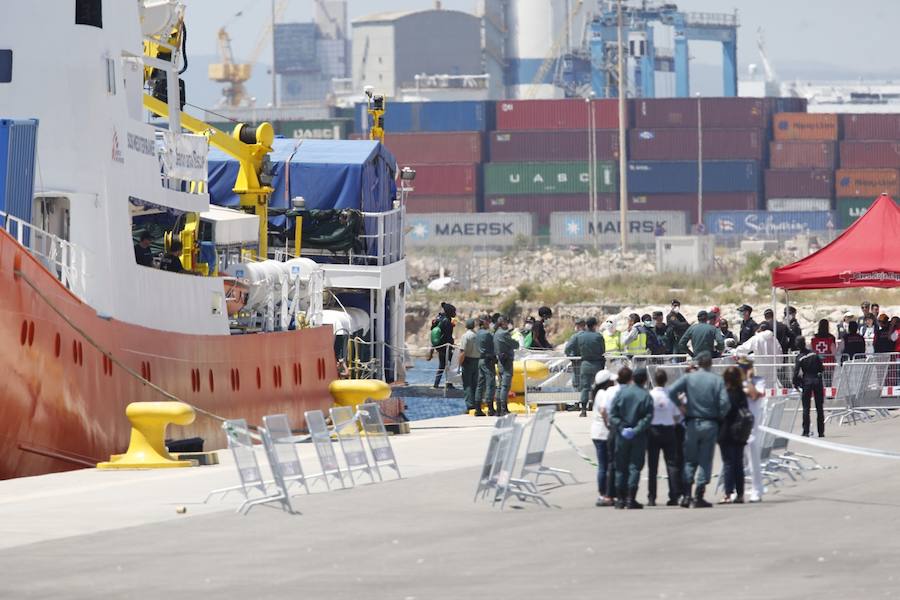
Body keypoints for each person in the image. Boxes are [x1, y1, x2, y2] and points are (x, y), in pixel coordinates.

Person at [667, 352, 730, 508]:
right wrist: (719, 415)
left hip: (692, 423)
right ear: (710, 364)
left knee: (690, 459)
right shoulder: (717, 380)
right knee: (705, 459)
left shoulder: (689, 378)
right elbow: (725, 403)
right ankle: (699, 494)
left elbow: (671, 391)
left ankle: (687, 494)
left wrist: (681, 407)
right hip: (710, 422)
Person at [608, 367, 654, 509]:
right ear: (645, 380)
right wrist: (636, 429)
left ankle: (620, 499)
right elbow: (648, 416)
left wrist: (621, 427)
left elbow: (612, 414)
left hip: (622, 435)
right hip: (638, 436)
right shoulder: (646, 395)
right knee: (635, 466)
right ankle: (630, 498)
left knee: (621, 466)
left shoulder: (622, 393)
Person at [646, 370, 681, 507]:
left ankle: (651, 497)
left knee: (652, 466)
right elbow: (677, 415)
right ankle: (674, 495)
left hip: (653, 430)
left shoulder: (650, 395)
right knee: (672, 464)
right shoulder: (671, 395)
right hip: (668, 429)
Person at [718, 366, 750, 504]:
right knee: (738, 463)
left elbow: (722, 412)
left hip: (726, 431)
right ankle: (740, 493)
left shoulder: (724, 394)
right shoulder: (742, 393)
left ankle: (728, 493)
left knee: (728, 463)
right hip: (741, 431)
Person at [738, 357, 765, 503]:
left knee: (753, 461)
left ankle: (757, 490)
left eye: (744, 367)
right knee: (736, 461)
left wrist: (748, 381)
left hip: (751, 427)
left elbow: (754, 395)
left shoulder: (758, 381)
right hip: (737, 425)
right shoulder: (736, 382)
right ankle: (737, 491)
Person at [591, 369, 618, 507]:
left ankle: (606, 492)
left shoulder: (598, 393)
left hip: (597, 433)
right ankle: (604, 492)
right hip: (603, 433)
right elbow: (604, 411)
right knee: (604, 465)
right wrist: (609, 425)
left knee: (604, 464)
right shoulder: (603, 394)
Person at [573, 317, 606, 417]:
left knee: (585, 388)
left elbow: (570, 347)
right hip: (597, 364)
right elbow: (602, 350)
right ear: (595, 325)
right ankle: (596, 407)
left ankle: (583, 410)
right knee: (599, 387)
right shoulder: (598, 336)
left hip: (585, 364)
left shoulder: (580, 336)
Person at [793, 336, 825, 438]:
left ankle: (806, 431)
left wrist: (796, 384)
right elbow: (822, 368)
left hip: (807, 382)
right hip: (817, 381)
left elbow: (796, 373)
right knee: (819, 407)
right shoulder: (814, 354)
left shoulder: (800, 357)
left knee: (806, 408)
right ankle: (821, 431)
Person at [736, 322, 779, 387]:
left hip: (759, 367)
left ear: (760, 329)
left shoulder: (756, 338)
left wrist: (735, 351)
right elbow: (779, 352)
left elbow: (743, 348)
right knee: (770, 386)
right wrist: (779, 365)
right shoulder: (774, 339)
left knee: (760, 385)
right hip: (772, 368)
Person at [493, 315, 518, 416]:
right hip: (506, 361)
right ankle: (504, 408)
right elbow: (515, 344)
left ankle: (499, 408)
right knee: (505, 385)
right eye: (506, 322)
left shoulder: (496, 333)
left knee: (499, 386)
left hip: (499, 361)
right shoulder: (504, 333)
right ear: (503, 323)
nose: (508, 324)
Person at [458, 318, 482, 416]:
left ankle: (469, 405)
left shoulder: (465, 336)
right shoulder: (477, 335)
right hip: (477, 361)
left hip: (468, 361)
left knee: (467, 384)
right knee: (475, 384)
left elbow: (463, 351)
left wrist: (459, 363)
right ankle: (477, 404)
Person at [475, 316, 498, 416]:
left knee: (480, 385)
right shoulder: (487, 334)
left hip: (480, 360)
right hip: (488, 361)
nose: (489, 323)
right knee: (490, 384)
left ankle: (478, 408)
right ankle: (490, 408)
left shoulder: (478, 333)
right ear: (484, 322)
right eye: (488, 321)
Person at [431, 302, 457, 389]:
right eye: (454, 312)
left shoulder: (440, 318)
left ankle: (436, 384)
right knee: (454, 362)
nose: (455, 314)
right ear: (449, 312)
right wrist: (452, 343)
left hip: (440, 346)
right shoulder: (447, 321)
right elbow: (447, 336)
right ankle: (449, 383)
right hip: (445, 346)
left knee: (442, 365)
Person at [565, 318, 587, 393]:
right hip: (590, 362)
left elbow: (567, 348)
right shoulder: (591, 335)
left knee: (577, 382)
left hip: (577, 362)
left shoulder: (575, 336)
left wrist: (571, 357)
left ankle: (577, 402)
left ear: (578, 326)